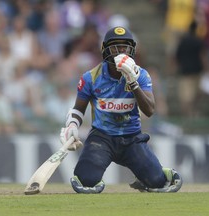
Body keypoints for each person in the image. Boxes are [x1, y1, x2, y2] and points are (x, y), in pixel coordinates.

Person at [59, 26, 183, 193]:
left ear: (132, 49)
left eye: (125, 46)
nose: (121, 51)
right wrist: (72, 125)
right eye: (115, 46)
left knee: (157, 181)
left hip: (131, 137)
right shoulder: (90, 77)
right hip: (102, 137)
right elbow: (78, 109)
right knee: (86, 181)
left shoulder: (141, 75)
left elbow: (150, 110)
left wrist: (132, 82)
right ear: (105, 50)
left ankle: (159, 173)